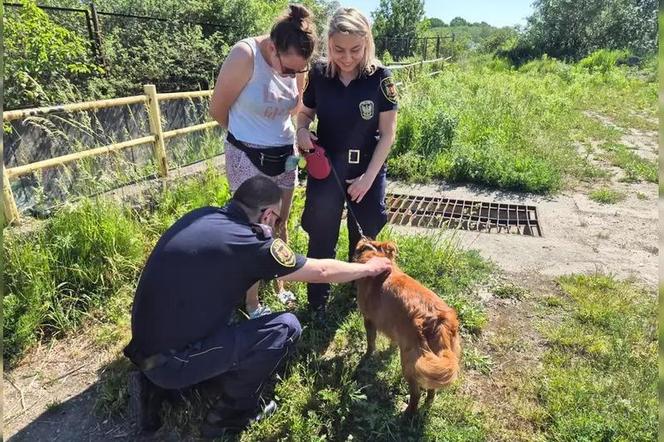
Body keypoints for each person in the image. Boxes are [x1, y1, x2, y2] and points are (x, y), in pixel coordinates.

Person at [123, 175, 392, 437]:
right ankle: (230, 414)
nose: (274, 227)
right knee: (285, 327)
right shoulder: (250, 244)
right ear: (266, 215)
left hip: (144, 344)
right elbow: (320, 271)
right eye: (276, 220)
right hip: (170, 364)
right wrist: (367, 268)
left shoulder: (204, 215)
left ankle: (161, 387)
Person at [209, 3, 317, 319]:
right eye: (287, 69)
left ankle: (280, 284)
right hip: (247, 153)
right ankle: (251, 302)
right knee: (254, 227)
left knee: (280, 221)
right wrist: (249, 141)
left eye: (299, 70)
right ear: (272, 47)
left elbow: (298, 107)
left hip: (284, 154)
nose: (293, 75)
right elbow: (218, 109)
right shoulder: (245, 56)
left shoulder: (298, 64)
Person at [295, 7, 399, 314]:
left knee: (365, 237)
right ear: (328, 43)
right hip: (328, 169)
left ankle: (361, 300)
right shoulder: (319, 74)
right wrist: (301, 130)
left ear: (367, 43)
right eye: (339, 49)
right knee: (321, 234)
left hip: (366, 169)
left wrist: (368, 178)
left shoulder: (380, 78)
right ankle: (317, 303)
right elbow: (305, 113)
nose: (347, 57)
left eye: (355, 49)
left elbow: (388, 134)